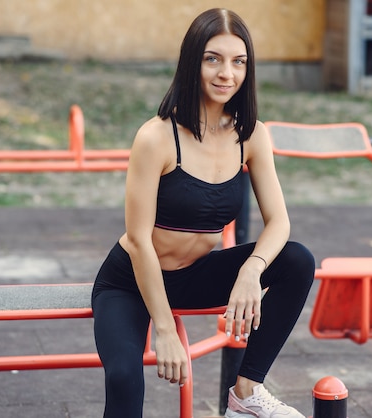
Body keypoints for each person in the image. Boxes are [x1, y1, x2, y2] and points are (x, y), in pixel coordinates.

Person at [92, 8, 315, 418]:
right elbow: (139, 240)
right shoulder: (156, 137)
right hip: (132, 280)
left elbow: (279, 221)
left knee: (296, 259)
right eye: (213, 58)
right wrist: (164, 330)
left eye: (238, 61)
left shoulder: (251, 135)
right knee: (124, 378)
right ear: (192, 61)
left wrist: (251, 270)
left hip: (194, 275)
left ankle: (246, 393)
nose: (226, 73)